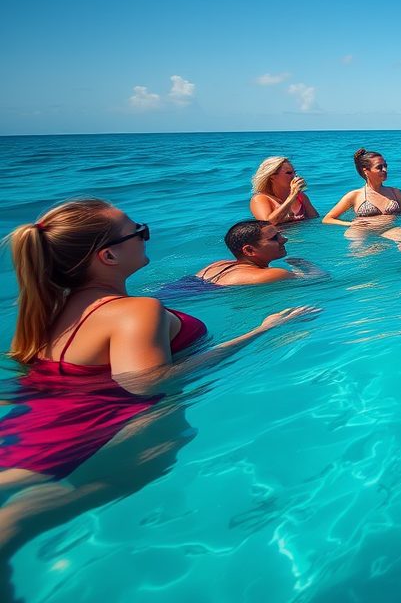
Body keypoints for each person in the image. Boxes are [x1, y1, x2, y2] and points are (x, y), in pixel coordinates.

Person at [2, 199, 318, 487]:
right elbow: (147, 384)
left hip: (31, 428)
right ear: (108, 255)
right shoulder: (136, 310)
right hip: (88, 436)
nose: (145, 235)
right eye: (138, 231)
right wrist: (262, 330)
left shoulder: (52, 309)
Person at [195, 220, 324, 286]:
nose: (284, 239)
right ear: (249, 250)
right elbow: (320, 279)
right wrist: (305, 264)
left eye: (279, 234)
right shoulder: (276, 274)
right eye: (274, 238)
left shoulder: (218, 265)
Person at [322, 148, 401, 242]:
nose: (385, 170)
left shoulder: (396, 192)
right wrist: (349, 224)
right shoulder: (354, 195)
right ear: (366, 171)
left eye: (385, 166)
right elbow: (327, 219)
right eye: (379, 167)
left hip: (391, 229)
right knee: (359, 254)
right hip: (361, 231)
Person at [249, 156, 318, 226]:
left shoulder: (300, 196)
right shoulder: (260, 199)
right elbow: (266, 225)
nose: (294, 176)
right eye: (289, 173)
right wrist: (292, 197)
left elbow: (315, 220)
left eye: (294, 173)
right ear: (272, 176)